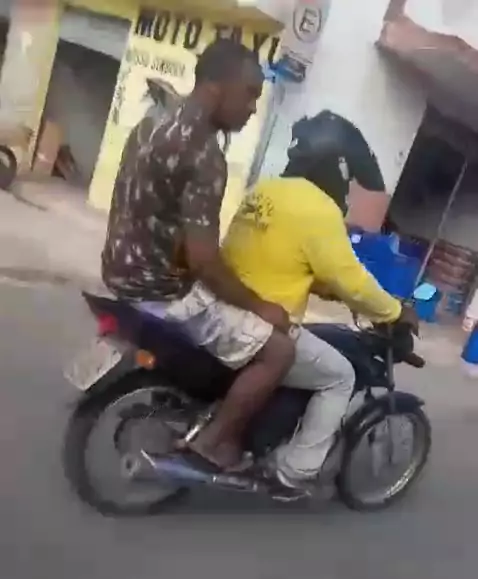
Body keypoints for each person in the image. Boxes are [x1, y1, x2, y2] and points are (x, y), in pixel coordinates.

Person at [101, 40, 295, 472]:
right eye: (249, 94)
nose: (252, 108)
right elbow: (204, 260)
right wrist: (261, 305)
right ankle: (216, 442)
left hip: (118, 271)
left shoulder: (152, 121)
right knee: (279, 352)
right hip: (164, 291)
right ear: (215, 86)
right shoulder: (204, 153)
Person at [219, 110, 419, 492]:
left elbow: (277, 258)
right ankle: (295, 470)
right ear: (338, 166)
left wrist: (327, 289)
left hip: (229, 305)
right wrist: (396, 311)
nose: (347, 187)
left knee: (318, 348)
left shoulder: (266, 190)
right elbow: (352, 280)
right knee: (340, 376)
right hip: (262, 325)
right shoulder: (318, 208)